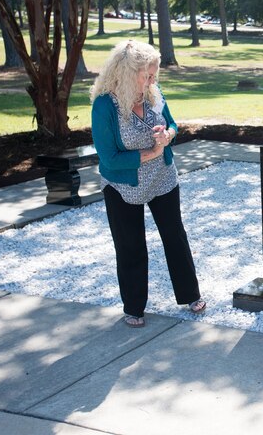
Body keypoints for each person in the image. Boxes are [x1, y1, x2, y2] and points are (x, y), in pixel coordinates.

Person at [90, 40, 206, 328]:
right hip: (122, 185)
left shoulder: (153, 93)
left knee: (174, 236)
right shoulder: (105, 105)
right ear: (128, 73)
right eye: (147, 76)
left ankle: (190, 295)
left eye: (154, 76)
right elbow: (108, 159)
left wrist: (167, 136)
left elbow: (173, 125)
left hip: (162, 177)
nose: (152, 81)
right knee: (130, 245)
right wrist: (148, 154)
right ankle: (134, 307)